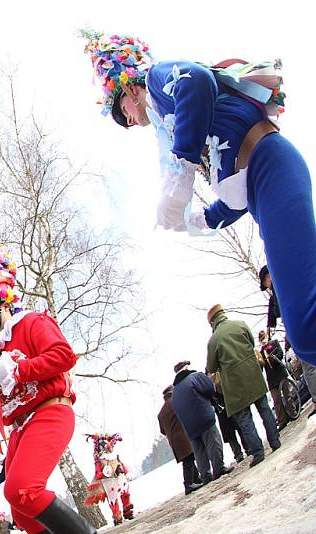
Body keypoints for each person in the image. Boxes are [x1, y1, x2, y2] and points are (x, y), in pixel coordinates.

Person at [81, 31, 316, 366]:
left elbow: (197, 80)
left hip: (269, 164)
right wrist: (199, 219)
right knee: (304, 331)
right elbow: (235, 196)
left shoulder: (157, 78)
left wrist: (181, 170)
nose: (131, 121)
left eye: (124, 110)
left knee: (307, 326)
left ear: (131, 88)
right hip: (260, 187)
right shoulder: (170, 120)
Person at [0, 240, 95, 534]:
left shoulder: (32, 323)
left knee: (23, 489)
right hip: (20, 429)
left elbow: (64, 356)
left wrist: (19, 368)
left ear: (4, 303)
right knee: (23, 515)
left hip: (50, 411)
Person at [205, 305, 281, 467]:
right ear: (223, 314)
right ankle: (275, 441)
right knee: (264, 409)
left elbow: (211, 368)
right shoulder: (240, 324)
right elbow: (251, 343)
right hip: (253, 374)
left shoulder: (213, 340)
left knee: (245, 419)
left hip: (234, 386)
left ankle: (258, 452)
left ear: (212, 322)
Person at [170, 362, 233, 483]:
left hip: (189, 426)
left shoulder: (175, 392)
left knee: (199, 451)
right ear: (186, 368)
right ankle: (218, 468)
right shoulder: (194, 377)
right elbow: (210, 388)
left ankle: (205, 476)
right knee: (214, 443)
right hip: (204, 417)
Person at [157, 385, 203, 495]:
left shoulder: (161, 413)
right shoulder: (176, 402)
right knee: (188, 460)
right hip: (183, 436)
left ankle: (196, 479)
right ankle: (188, 484)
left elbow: (162, 431)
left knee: (189, 458)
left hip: (174, 440)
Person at [83, 433, 134, 526]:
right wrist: (102, 473)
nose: (108, 449)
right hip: (108, 481)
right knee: (113, 498)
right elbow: (98, 473)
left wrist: (120, 470)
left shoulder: (114, 457)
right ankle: (117, 517)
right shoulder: (100, 460)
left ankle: (127, 511)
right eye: (105, 447)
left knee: (125, 492)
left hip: (118, 476)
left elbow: (120, 466)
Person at [258, 330, 289, 430]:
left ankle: (292, 411)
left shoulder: (275, 343)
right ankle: (282, 421)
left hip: (280, 374)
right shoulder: (260, 353)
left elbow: (280, 354)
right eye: (261, 339)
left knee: (287, 394)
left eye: (264, 338)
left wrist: (272, 356)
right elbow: (261, 367)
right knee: (276, 401)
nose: (263, 341)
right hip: (271, 379)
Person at [258, 265, 281, 332]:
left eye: (264, 282)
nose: (266, 286)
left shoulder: (277, 289)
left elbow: (280, 310)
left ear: (268, 276)